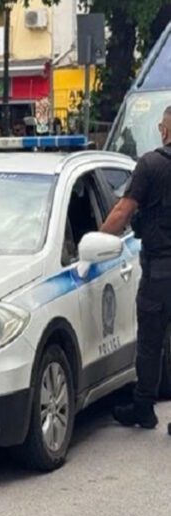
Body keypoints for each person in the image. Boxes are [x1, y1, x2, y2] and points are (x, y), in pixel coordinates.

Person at [100, 106, 171, 430]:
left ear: (163, 129)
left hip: (160, 273)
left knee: (151, 342)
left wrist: (96, 239)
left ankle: (144, 407)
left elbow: (122, 212)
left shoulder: (151, 165)